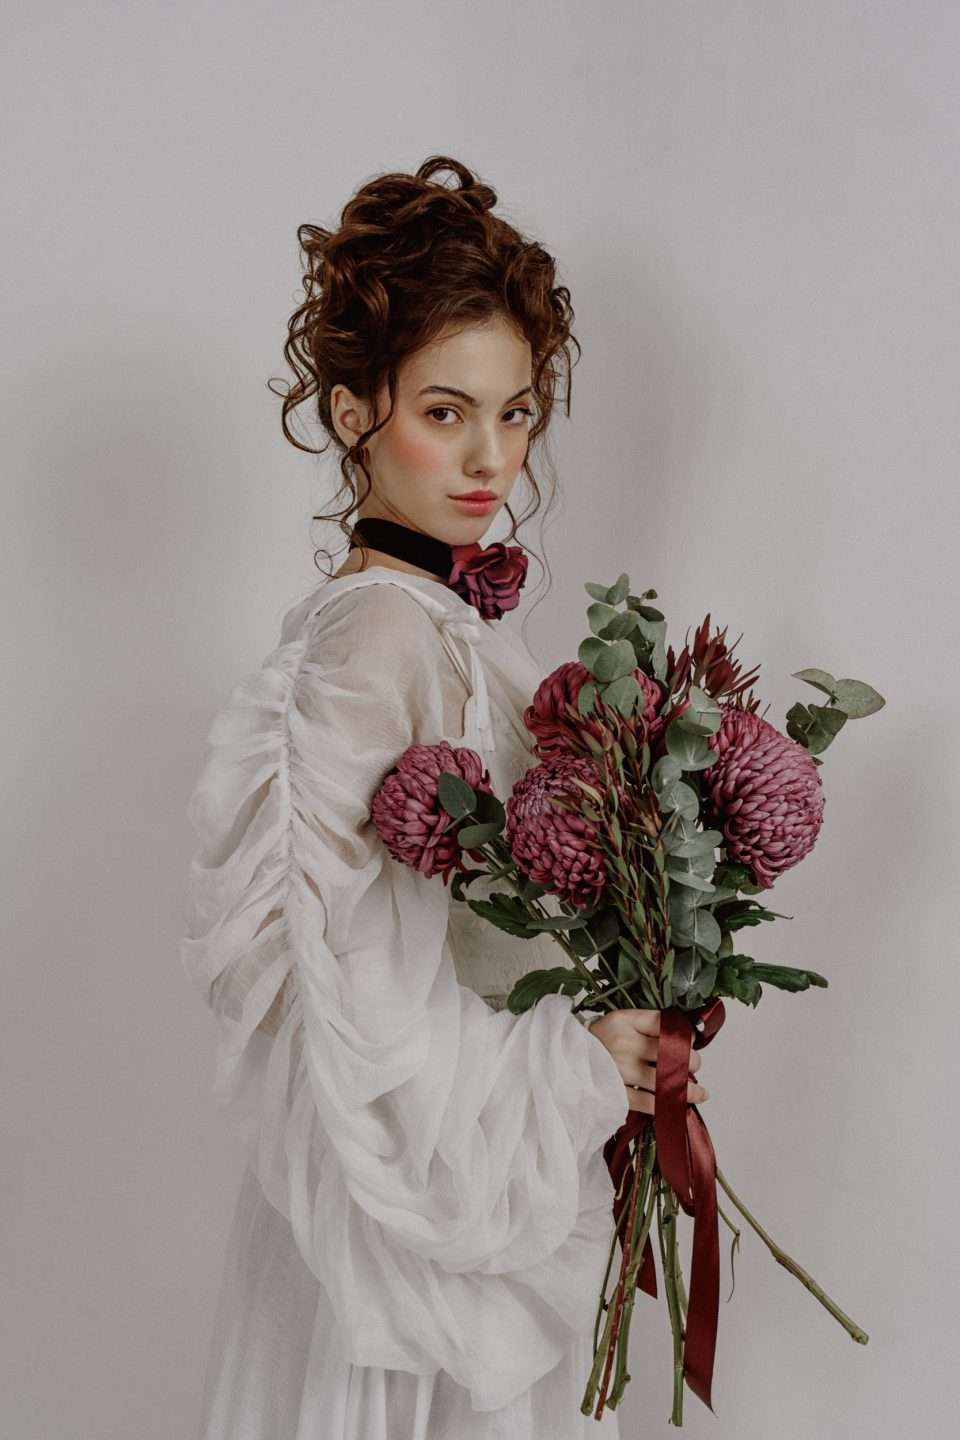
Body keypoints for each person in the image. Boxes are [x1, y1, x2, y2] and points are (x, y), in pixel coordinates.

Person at [180, 155, 709, 1440]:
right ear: (353, 410)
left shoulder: (437, 622)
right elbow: (341, 1010)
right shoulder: (377, 637)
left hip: (462, 1199)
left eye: (516, 414)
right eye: (445, 411)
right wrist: (578, 1067)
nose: (491, 459)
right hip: (407, 1236)